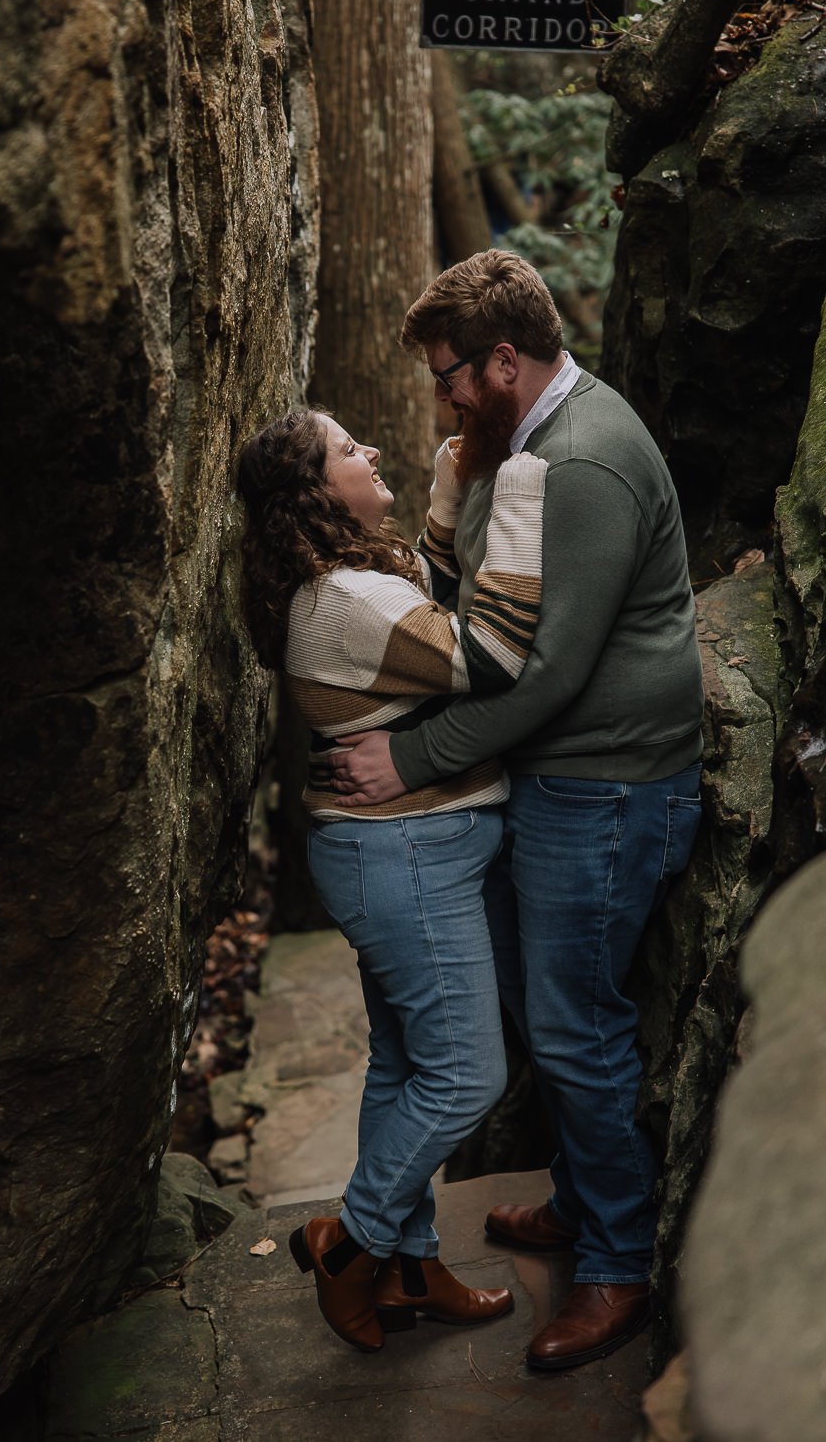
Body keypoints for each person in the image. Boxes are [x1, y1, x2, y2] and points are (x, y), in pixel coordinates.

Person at [328, 249, 704, 1371]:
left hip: (606, 787)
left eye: (450, 374)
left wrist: (413, 758)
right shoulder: (525, 439)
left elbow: (549, 674)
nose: (440, 395)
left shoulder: (582, 459)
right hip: (559, 777)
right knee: (547, 1017)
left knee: (575, 1029)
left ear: (504, 358)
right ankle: (584, 1206)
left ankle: (613, 1268)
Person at [237, 407, 548, 1353]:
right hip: (405, 855)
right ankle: (353, 1242)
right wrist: (523, 494)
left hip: (397, 850)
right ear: (314, 494)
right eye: (345, 449)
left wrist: (449, 501)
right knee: (466, 1074)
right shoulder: (340, 599)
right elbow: (491, 655)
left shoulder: (342, 585)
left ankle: (410, 1270)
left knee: (408, 1066)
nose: (369, 450)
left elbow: (418, 600)